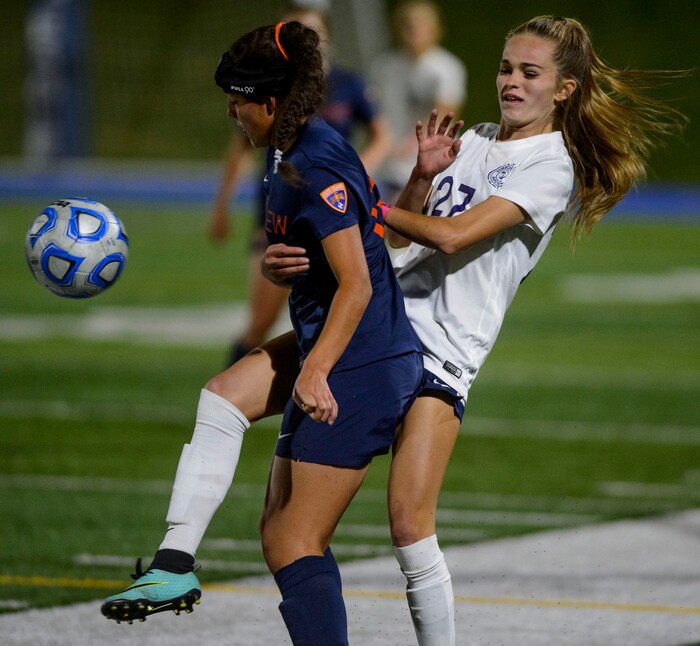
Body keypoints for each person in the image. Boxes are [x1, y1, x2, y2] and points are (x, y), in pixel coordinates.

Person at [264, 15, 687, 644]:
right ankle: (178, 551)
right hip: (383, 334)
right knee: (281, 508)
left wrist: (355, 200)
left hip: (445, 357)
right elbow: (402, 232)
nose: (511, 82)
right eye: (506, 68)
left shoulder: (553, 166)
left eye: (530, 73)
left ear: (565, 89)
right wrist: (421, 178)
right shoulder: (475, 137)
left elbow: (457, 235)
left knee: (409, 522)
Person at [101, 19, 422, 646]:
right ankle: (172, 568)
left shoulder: (314, 162)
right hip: (333, 341)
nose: (230, 113)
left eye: (236, 102)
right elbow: (348, 244)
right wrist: (281, 259)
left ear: (269, 102)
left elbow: (357, 285)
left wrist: (315, 368)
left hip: (362, 360)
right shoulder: (287, 148)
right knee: (222, 398)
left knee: (292, 540)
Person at [211, 2, 391, 365]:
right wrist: (222, 206)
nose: (232, 112)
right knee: (264, 324)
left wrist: (355, 175)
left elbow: (357, 286)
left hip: (326, 209)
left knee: (335, 315)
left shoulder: (319, 154)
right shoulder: (268, 110)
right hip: (279, 214)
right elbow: (239, 151)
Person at [369, 0, 466, 203]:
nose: (413, 31)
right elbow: (375, 114)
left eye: (420, 25)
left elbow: (446, 113)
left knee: (399, 214)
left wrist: (412, 145)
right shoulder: (384, 67)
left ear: (435, 29)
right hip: (388, 162)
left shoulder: (446, 68)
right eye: (408, 25)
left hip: (431, 163)